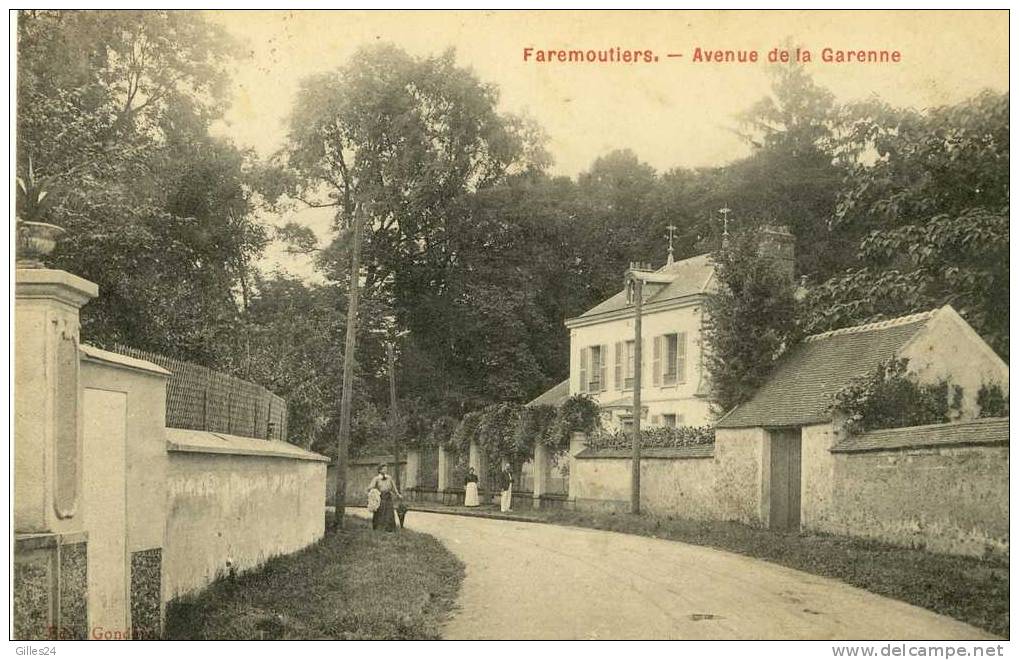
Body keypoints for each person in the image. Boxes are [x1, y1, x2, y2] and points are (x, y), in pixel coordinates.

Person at [367, 463, 401, 532]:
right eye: (383, 469)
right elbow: (370, 487)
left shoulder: (389, 478)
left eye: (386, 469)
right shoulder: (376, 478)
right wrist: (372, 491)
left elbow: (393, 487)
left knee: (389, 512)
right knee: (380, 512)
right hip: (380, 497)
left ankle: (389, 529)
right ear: (379, 470)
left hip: (388, 496)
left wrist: (398, 494)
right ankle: (379, 528)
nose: (385, 470)